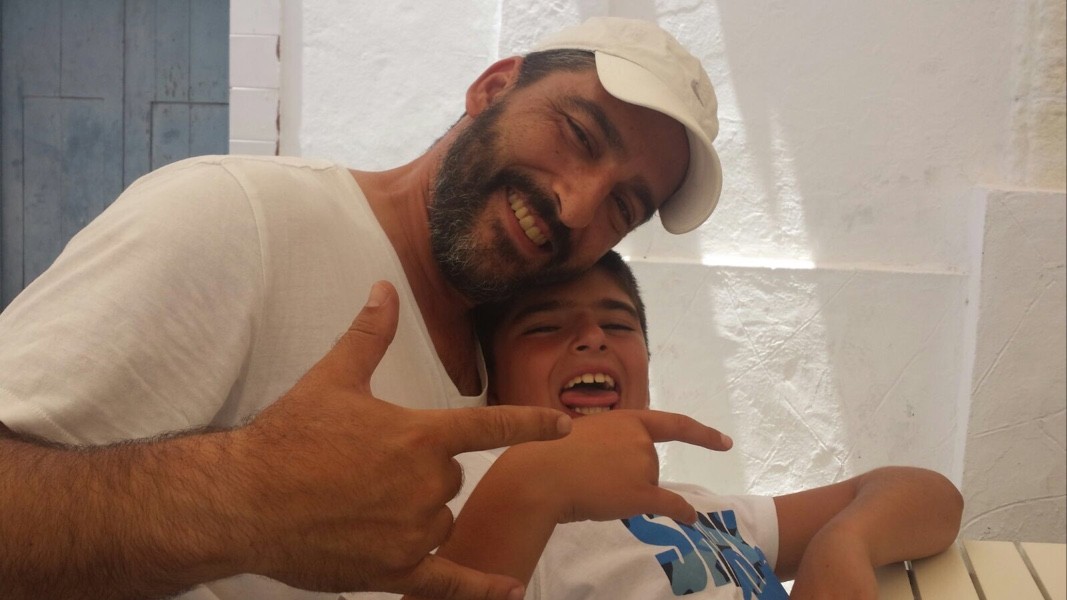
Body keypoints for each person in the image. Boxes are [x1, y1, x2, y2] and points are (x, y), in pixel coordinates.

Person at [0, 17, 731, 600]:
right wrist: (247, 497)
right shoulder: (240, 214)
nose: (576, 206)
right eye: (578, 134)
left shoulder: (500, 360)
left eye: (623, 206)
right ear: (492, 88)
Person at [414, 251, 964, 599]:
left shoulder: (694, 508)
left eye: (618, 324)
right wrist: (535, 478)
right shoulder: (481, 498)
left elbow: (930, 497)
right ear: (489, 382)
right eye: (544, 326)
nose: (593, 337)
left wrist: (843, 544)